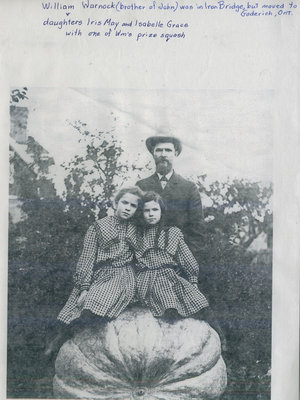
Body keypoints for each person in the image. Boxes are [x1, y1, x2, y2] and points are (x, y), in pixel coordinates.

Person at [44, 186, 143, 356]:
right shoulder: (98, 227)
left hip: (123, 275)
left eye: (133, 206)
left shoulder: (137, 230)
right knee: (80, 303)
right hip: (101, 274)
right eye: (124, 203)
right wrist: (84, 287)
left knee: (92, 304)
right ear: (115, 203)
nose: (127, 208)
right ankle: (61, 339)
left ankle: (88, 345)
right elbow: (87, 258)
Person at [135, 191, 226, 350]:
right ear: (141, 213)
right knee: (169, 304)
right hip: (147, 277)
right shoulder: (136, 235)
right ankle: (170, 346)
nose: (151, 214)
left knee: (199, 301)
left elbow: (187, 258)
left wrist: (193, 280)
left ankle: (220, 341)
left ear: (162, 212)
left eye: (155, 210)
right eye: (146, 210)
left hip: (170, 276)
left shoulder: (172, 233)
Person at [136, 135, 205, 265]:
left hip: (179, 259)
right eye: (159, 150)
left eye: (168, 150)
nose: (163, 154)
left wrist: (185, 261)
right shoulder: (141, 186)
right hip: (146, 259)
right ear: (153, 153)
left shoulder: (189, 188)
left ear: (176, 153)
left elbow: (197, 230)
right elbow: (135, 225)